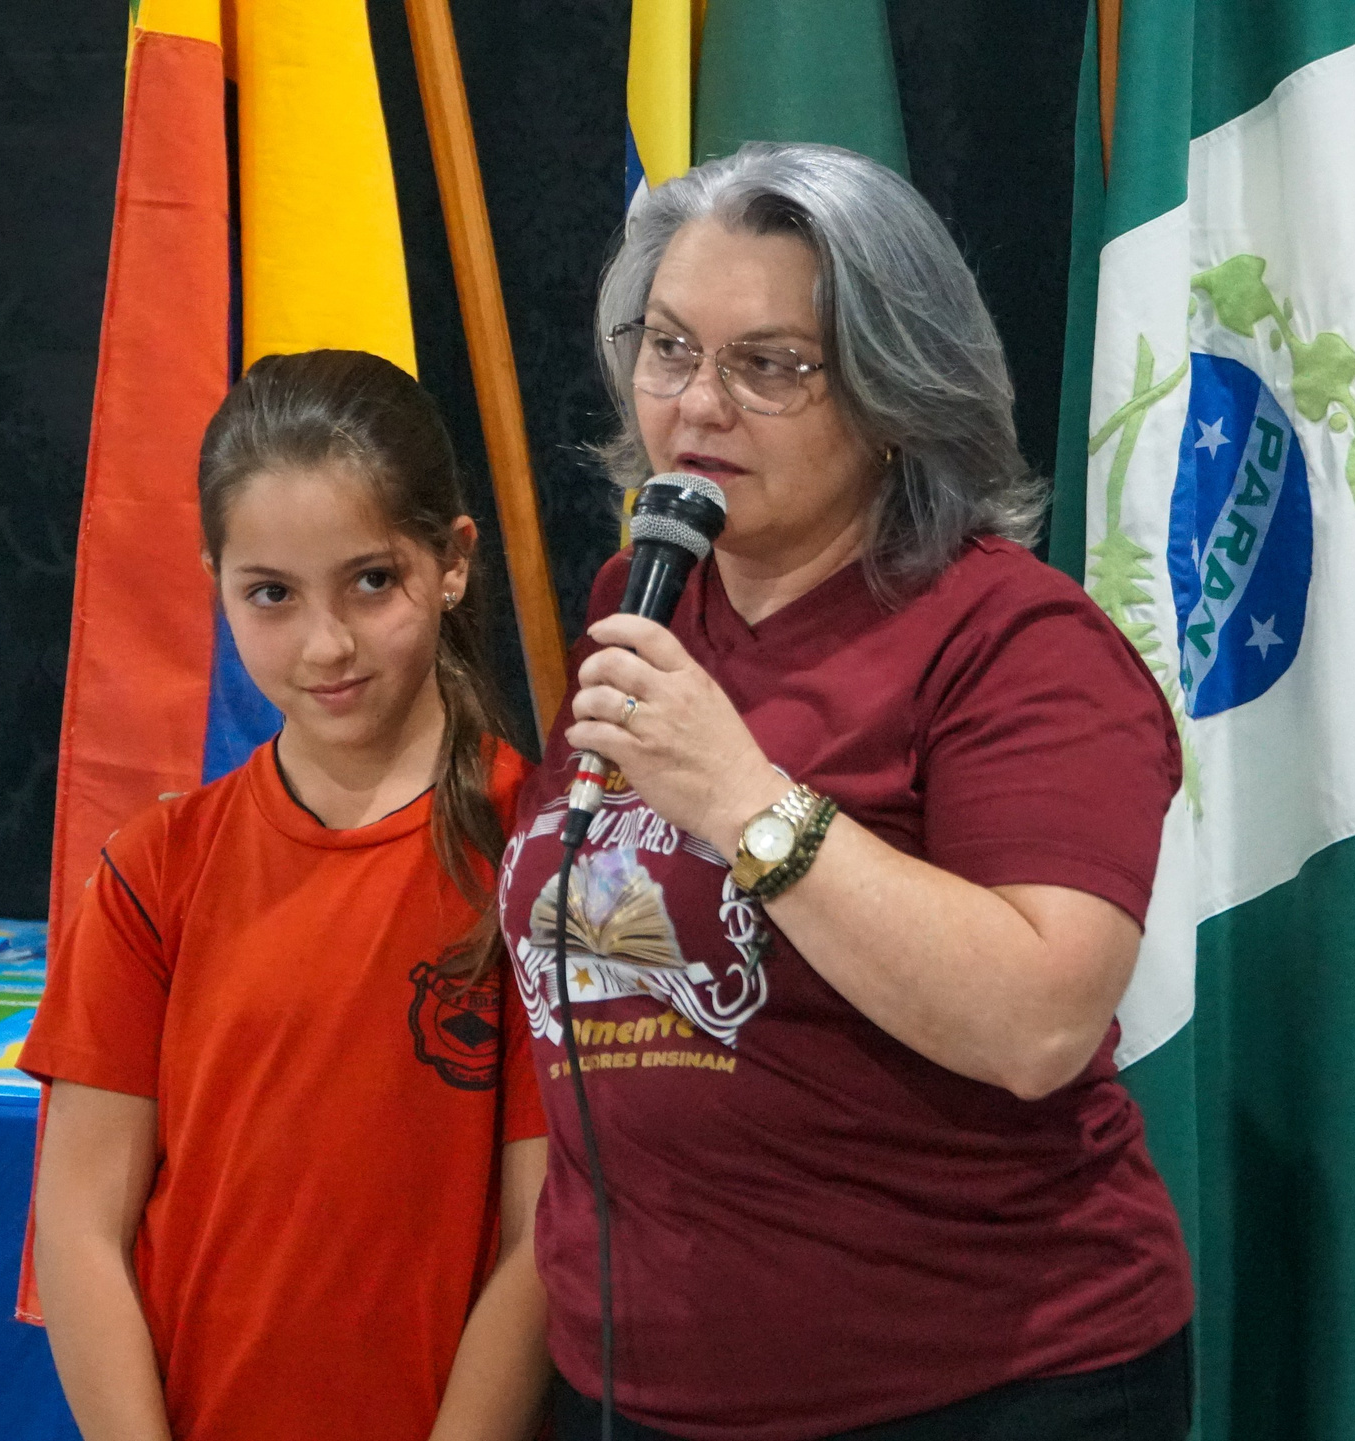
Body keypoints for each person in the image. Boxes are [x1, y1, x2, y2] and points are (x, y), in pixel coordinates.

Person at [496, 143, 1194, 1440]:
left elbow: (1041, 1021)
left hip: (976, 1388)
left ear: (890, 394)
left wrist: (747, 798)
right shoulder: (641, 603)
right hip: (637, 1384)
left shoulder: (1015, 643)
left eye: (768, 366)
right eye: (668, 349)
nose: (698, 405)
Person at [21, 350, 551, 1441]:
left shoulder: (543, 857)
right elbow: (78, 1222)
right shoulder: (156, 867)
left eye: (370, 580)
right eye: (271, 594)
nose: (326, 643)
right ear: (216, 578)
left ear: (451, 561)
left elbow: (545, 1237)